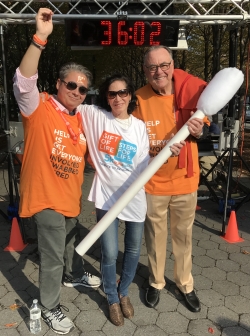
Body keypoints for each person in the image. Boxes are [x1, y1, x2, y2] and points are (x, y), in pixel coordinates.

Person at [13, 8, 101, 335]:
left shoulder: (81, 119)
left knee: (70, 244)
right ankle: (49, 307)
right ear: (58, 83)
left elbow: (103, 150)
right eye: (72, 85)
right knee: (51, 258)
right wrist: (40, 39)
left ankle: (72, 273)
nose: (77, 92)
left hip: (70, 200)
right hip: (45, 199)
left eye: (83, 89)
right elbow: (23, 81)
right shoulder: (39, 106)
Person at [78, 74, 185, 326]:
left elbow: (145, 164)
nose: (118, 98)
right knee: (110, 251)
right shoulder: (96, 116)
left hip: (135, 199)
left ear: (130, 96)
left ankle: (124, 291)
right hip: (106, 197)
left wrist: (168, 152)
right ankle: (112, 298)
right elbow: (69, 103)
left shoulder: (138, 126)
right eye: (112, 94)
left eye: (123, 92)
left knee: (134, 250)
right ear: (106, 96)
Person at [133, 45, 210, 313]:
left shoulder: (190, 93)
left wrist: (198, 133)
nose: (159, 71)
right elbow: (131, 139)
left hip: (185, 180)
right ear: (145, 71)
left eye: (164, 65)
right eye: (152, 67)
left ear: (172, 65)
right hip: (154, 183)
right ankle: (155, 282)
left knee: (183, 237)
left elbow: (204, 134)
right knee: (155, 236)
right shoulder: (138, 99)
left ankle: (185, 284)